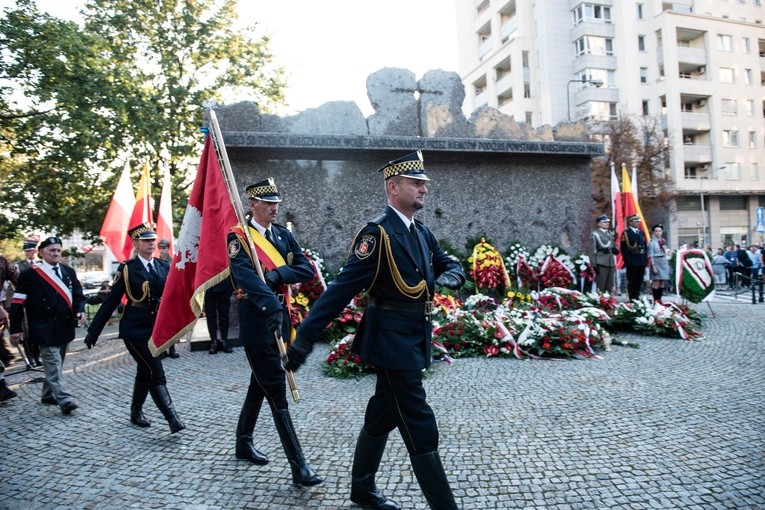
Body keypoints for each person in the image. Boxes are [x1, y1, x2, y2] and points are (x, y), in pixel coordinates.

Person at [285, 151, 466, 510]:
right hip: (390, 340)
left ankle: (362, 490)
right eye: (416, 183)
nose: (423, 189)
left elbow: (449, 262)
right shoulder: (377, 234)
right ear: (393, 187)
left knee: (383, 412)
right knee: (419, 421)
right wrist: (304, 339)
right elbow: (340, 289)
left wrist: (450, 276)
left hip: (413, 335)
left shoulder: (420, 231)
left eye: (424, 184)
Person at [226, 177, 321, 486]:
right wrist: (270, 303)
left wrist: (277, 273)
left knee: (260, 384)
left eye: (276, 202)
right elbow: (245, 278)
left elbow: (305, 269)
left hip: (280, 317)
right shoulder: (239, 238)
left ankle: (243, 442)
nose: (274, 207)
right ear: (252, 205)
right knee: (276, 389)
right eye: (268, 203)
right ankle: (299, 465)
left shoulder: (281, 235)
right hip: (258, 320)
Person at [84, 223, 185, 433]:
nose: (151, 244)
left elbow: (172, 295)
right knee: (155, 370)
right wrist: (94, 330)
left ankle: (135, 411)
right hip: (135, 327)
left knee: (144, 371)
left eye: (152, 240)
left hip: (156, 326)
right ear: (136, 244)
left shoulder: (162, 266)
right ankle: (172, 419)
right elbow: (111, 301)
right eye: (146, 241)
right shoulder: (128, 269)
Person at [9, 237, 86, 414]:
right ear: (41, 253)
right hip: (43, 327)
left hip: (64, 326)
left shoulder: (68, 271)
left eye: (58, 250)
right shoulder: (30, 274)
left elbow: (78, 295)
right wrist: (16, 329)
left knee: (56, 365)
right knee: (52, 362)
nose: (56, 254)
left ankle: (47, 394)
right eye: (52, 250)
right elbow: (17, 303)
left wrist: (80, 310)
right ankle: (64, 400)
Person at [12, 240, 42, 367]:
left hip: (39, 303)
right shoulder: (18, 266)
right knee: (27, 332)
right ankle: (30, 358)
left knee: (39, 330)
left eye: (30, 251)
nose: (27, 253)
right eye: (26, 251)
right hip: (25, 303)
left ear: (35, 251)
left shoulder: (41, 264)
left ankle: (37, 355)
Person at [620, 215, 648, 301]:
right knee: (632, 281)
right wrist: (627, 261)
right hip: (632, 260)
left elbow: (644, 246)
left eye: (638, 222)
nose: (637, 223)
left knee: (639, 281)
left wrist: (645, 260)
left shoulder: (641, 233)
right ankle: (632, 298)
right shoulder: (626, 233)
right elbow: (624, 249)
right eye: (635, 221)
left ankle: (637, 296)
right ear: (630, 222)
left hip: (641, 260)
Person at [589, 214, 619, 293]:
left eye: (607, 222)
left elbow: (612, 245)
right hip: (601, 262)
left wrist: (615, 250)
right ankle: (600, 303)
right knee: (601, 286)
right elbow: (591, 250)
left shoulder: (610, 233)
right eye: (604, 222)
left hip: (611, 262)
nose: (607, 223)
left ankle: (608, 303)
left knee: (610, 286)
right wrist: (594, 265)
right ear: (599, 224)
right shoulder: (595, 234)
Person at [205, 279, 234, 354]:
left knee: (224, 316)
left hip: (224, 285)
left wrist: (232, 287)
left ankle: (224, 340)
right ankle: (213, 341)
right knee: (210, 316)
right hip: (208, 286)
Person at [647, 224, 670, 304]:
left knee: (662, 282)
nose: (658, 233)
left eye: (660, 231)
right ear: (653, 232)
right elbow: (650, 255)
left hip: (663, 262)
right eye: (656, 231)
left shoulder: (663, 241)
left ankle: (660, 300)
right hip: (656, 263)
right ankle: (656, 300)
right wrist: (653, 266)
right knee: (656, 281)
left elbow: (666, 252)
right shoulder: (652, 243)